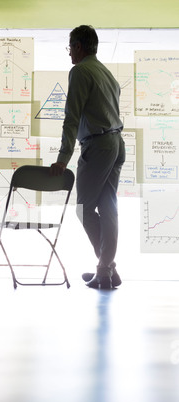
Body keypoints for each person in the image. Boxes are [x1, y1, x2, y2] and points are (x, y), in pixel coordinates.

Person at [50, 25, 126, 290]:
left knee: (83, 209)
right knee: (108, 208)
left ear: (79, 47)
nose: (70, 53)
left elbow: (72, 117)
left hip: (98, 146)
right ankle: (106, 270)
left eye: (70, 47)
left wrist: (63, 157)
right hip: (116, 144)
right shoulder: (107, 74)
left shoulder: (80, 71)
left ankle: (106, 267)